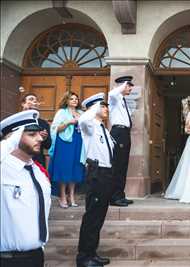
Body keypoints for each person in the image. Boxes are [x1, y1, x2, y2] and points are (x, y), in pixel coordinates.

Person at [0, 110, 51, 267]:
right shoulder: (3, 169)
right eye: (31, 134)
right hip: (9, 260)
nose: (39, 138)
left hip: (36, 256)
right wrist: (8, 142)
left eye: (39, 134)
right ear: (13, 138)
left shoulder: (38, 171)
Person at [76, 93, 114, 267]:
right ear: (94, 108)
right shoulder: (89, 125)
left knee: (99, 216)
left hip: (106, 173)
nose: (106, 109)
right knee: (92, 216)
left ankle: (92, 252)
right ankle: (84, 257)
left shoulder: (103, 128)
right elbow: (82, 121)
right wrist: (93, 108)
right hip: (96, 172)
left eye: (106, 106)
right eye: (103, 106)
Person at [48, 92, 85, 208]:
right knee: (64, 169)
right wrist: (69, 122)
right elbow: (55, 128)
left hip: (78, 142)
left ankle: (72, 196)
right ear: (67, 100)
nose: (75, 100)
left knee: (75, 168)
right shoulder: (62, 112)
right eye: (72, 99)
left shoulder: (81, 113)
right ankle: (63, 196)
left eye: (76, 99)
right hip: (64, 143)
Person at [108, 76, 134, 207]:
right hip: (118, 133)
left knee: (123, 166)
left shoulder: (122, 100)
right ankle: (114, 197)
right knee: (117, 166)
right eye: (128, 85)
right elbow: (111, 93)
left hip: (124, 133)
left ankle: (120, 195)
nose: (130, 88)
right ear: (122, 85)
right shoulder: (114, 98)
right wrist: (121, 86)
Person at [21, 93, 52, 167]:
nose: (34, 102)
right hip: (19, 159)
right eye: (31, 99)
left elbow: (48, 145)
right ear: (23, 104)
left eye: (36, 100)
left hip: (37, 161)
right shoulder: (16, 121)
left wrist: (44, 138)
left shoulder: (43, 123)